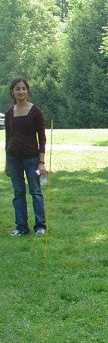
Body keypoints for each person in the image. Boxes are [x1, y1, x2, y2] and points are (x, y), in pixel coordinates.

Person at [4, 78, 47, 235]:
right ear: (12, 92)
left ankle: (40, 226)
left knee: (35, 191)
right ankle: (21, 227)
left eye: (23, 88)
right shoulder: (9, 113)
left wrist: (41, 162)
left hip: (32, 158)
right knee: (18, 193)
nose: (21, 91)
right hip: (13, 158)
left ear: (27, 90)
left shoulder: (35, 111)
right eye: (17, 89)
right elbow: (8, 139)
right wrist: (7, 163)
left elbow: (42, 138)